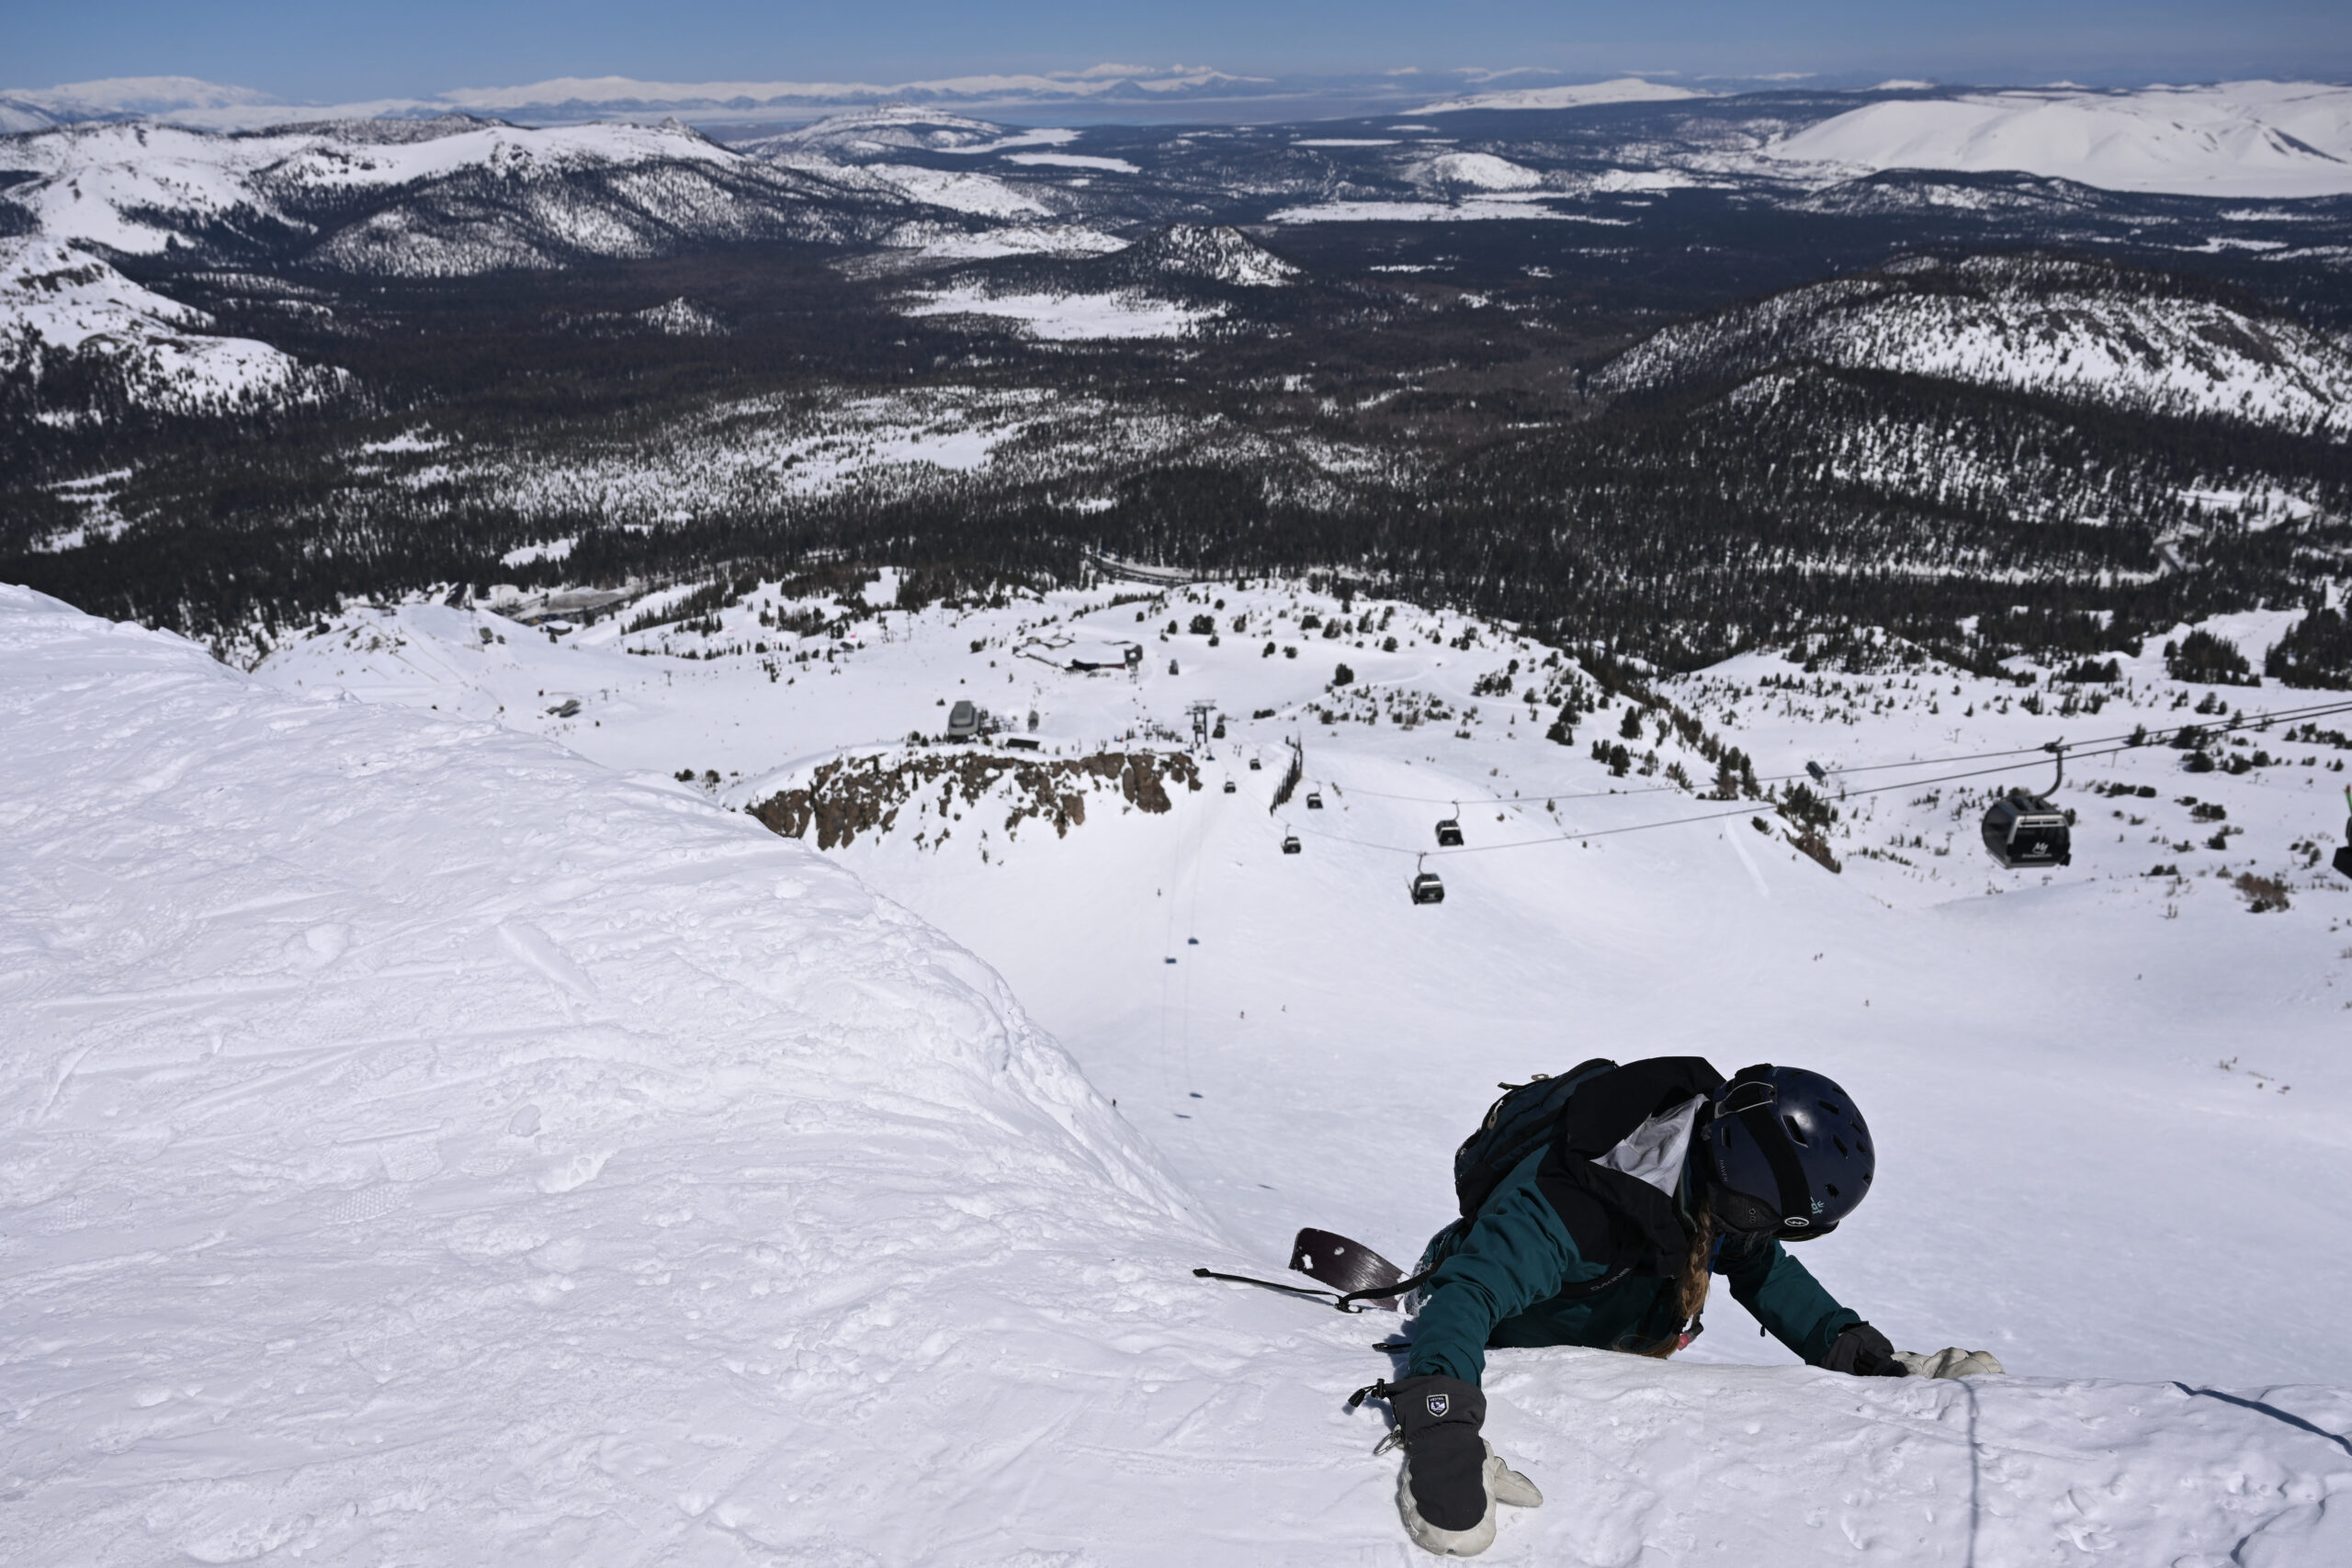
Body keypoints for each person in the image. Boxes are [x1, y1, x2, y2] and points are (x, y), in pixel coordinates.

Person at [1367, 1057, 2001, 1557]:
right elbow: (1472, 1292)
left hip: (1597, 1331)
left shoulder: (1711, 1178)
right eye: (1763, 1219)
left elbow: (1762, 1270)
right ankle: (1421, 1271)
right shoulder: (1569, 1202)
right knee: (1462, 1276)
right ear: (1742, 1186)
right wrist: (1442, 1426)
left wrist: (1864, 1355)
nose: (1761, 1234)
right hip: (1487, 1296)